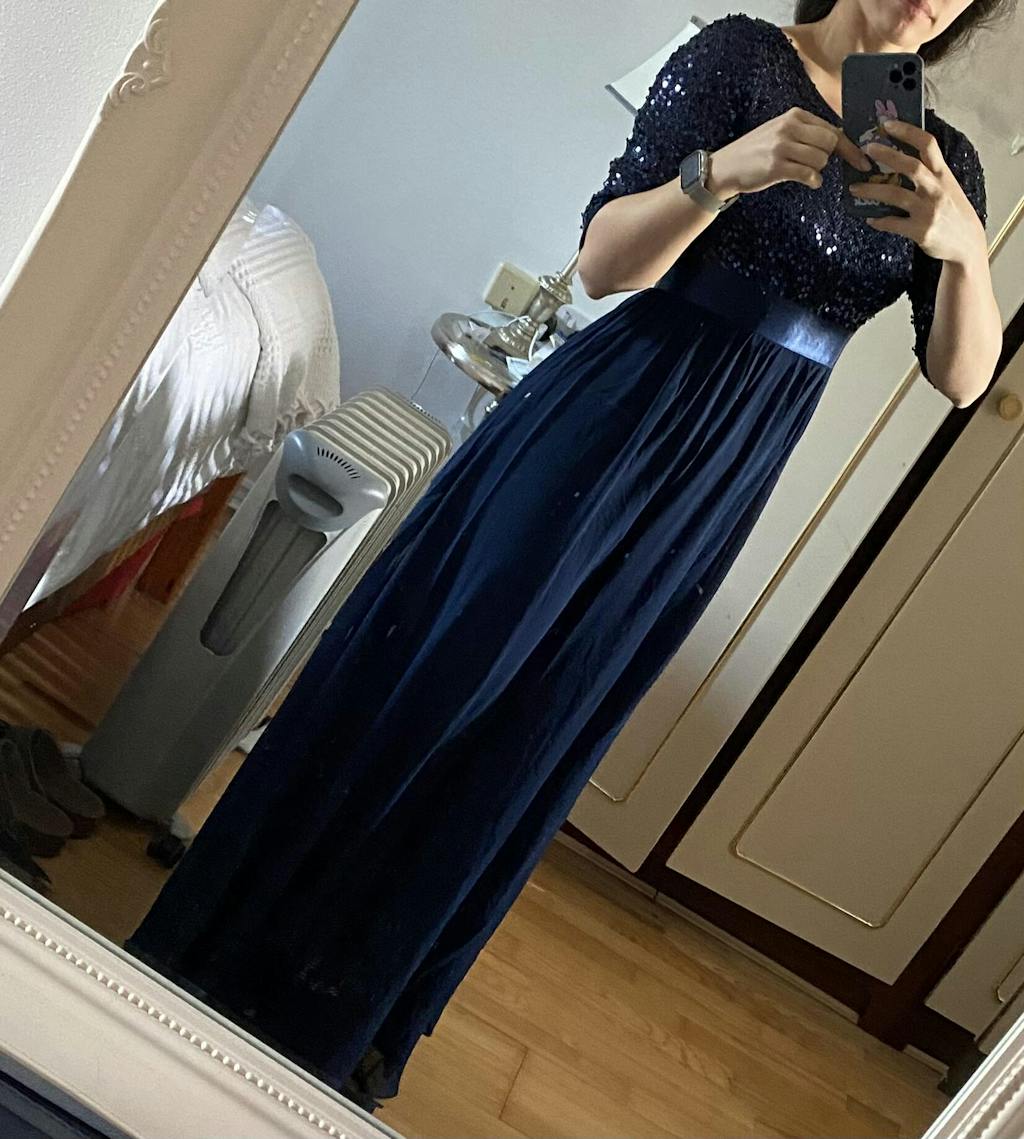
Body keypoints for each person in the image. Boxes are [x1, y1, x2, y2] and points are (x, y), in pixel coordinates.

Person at [127, 0, 1006, 1110]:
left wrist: (964, 251)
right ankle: (233, 941)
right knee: (437, 677)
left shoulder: (939, 155)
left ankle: (340, 1004)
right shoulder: (740, 55)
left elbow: (961, 379)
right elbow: (599, 268)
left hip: (718, 482)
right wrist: (720, 174)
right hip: (608, 415)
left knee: (533, 726)